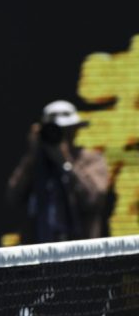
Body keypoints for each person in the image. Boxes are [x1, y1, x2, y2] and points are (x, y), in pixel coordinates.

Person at [6, 100, 110, 243]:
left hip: (81, 252)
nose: (60, 136)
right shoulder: (35, 163)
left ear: (76, 130)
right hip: (38, 253)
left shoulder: (91, 160)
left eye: (66, 130)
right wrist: (32, 154)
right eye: (54, 130)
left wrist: (65, 163)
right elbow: (14, 197)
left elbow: (92, 199)